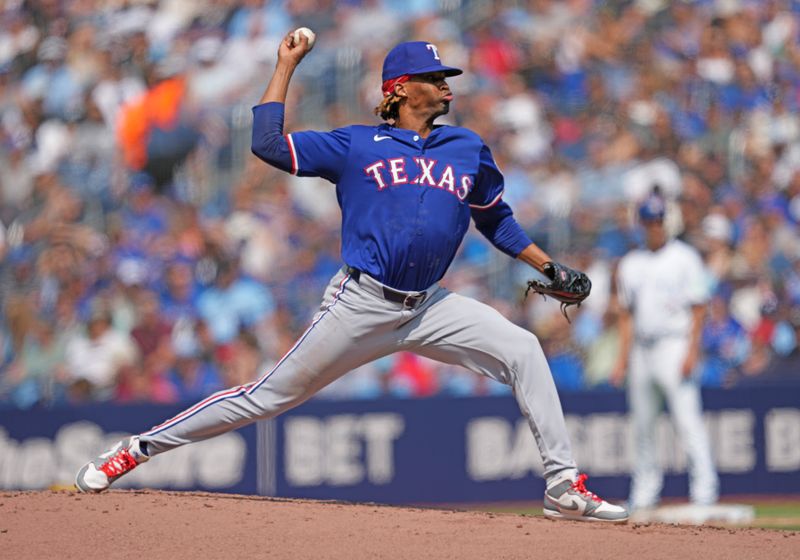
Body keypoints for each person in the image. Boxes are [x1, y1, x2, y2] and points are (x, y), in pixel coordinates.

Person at [75, 32, 628, 523]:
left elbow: (494, 218)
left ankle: (563, 485)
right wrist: (285, 65)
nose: (447, 85)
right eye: (436, 78)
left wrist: (547, 267)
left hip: (429, 306)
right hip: (360, 303)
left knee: (524, 348)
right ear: (404, 88)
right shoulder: (356, 144)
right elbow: (266, 144)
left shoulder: (467, 148)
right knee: (266, 397)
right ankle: (137, 449)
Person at [611, 193, 719, 513]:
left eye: (657, 220)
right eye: (648, 221)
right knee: (643, 426)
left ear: (665, 221)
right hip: (642, 349)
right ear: (641, 223)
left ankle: (705, 491)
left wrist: (691, 351)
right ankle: (644, 493)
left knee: (688, 421)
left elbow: (699, 308)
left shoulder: (684, 257)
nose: (653, 226)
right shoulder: (631, 263)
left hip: (674, 343)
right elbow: (626, 315)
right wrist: (621, 359)